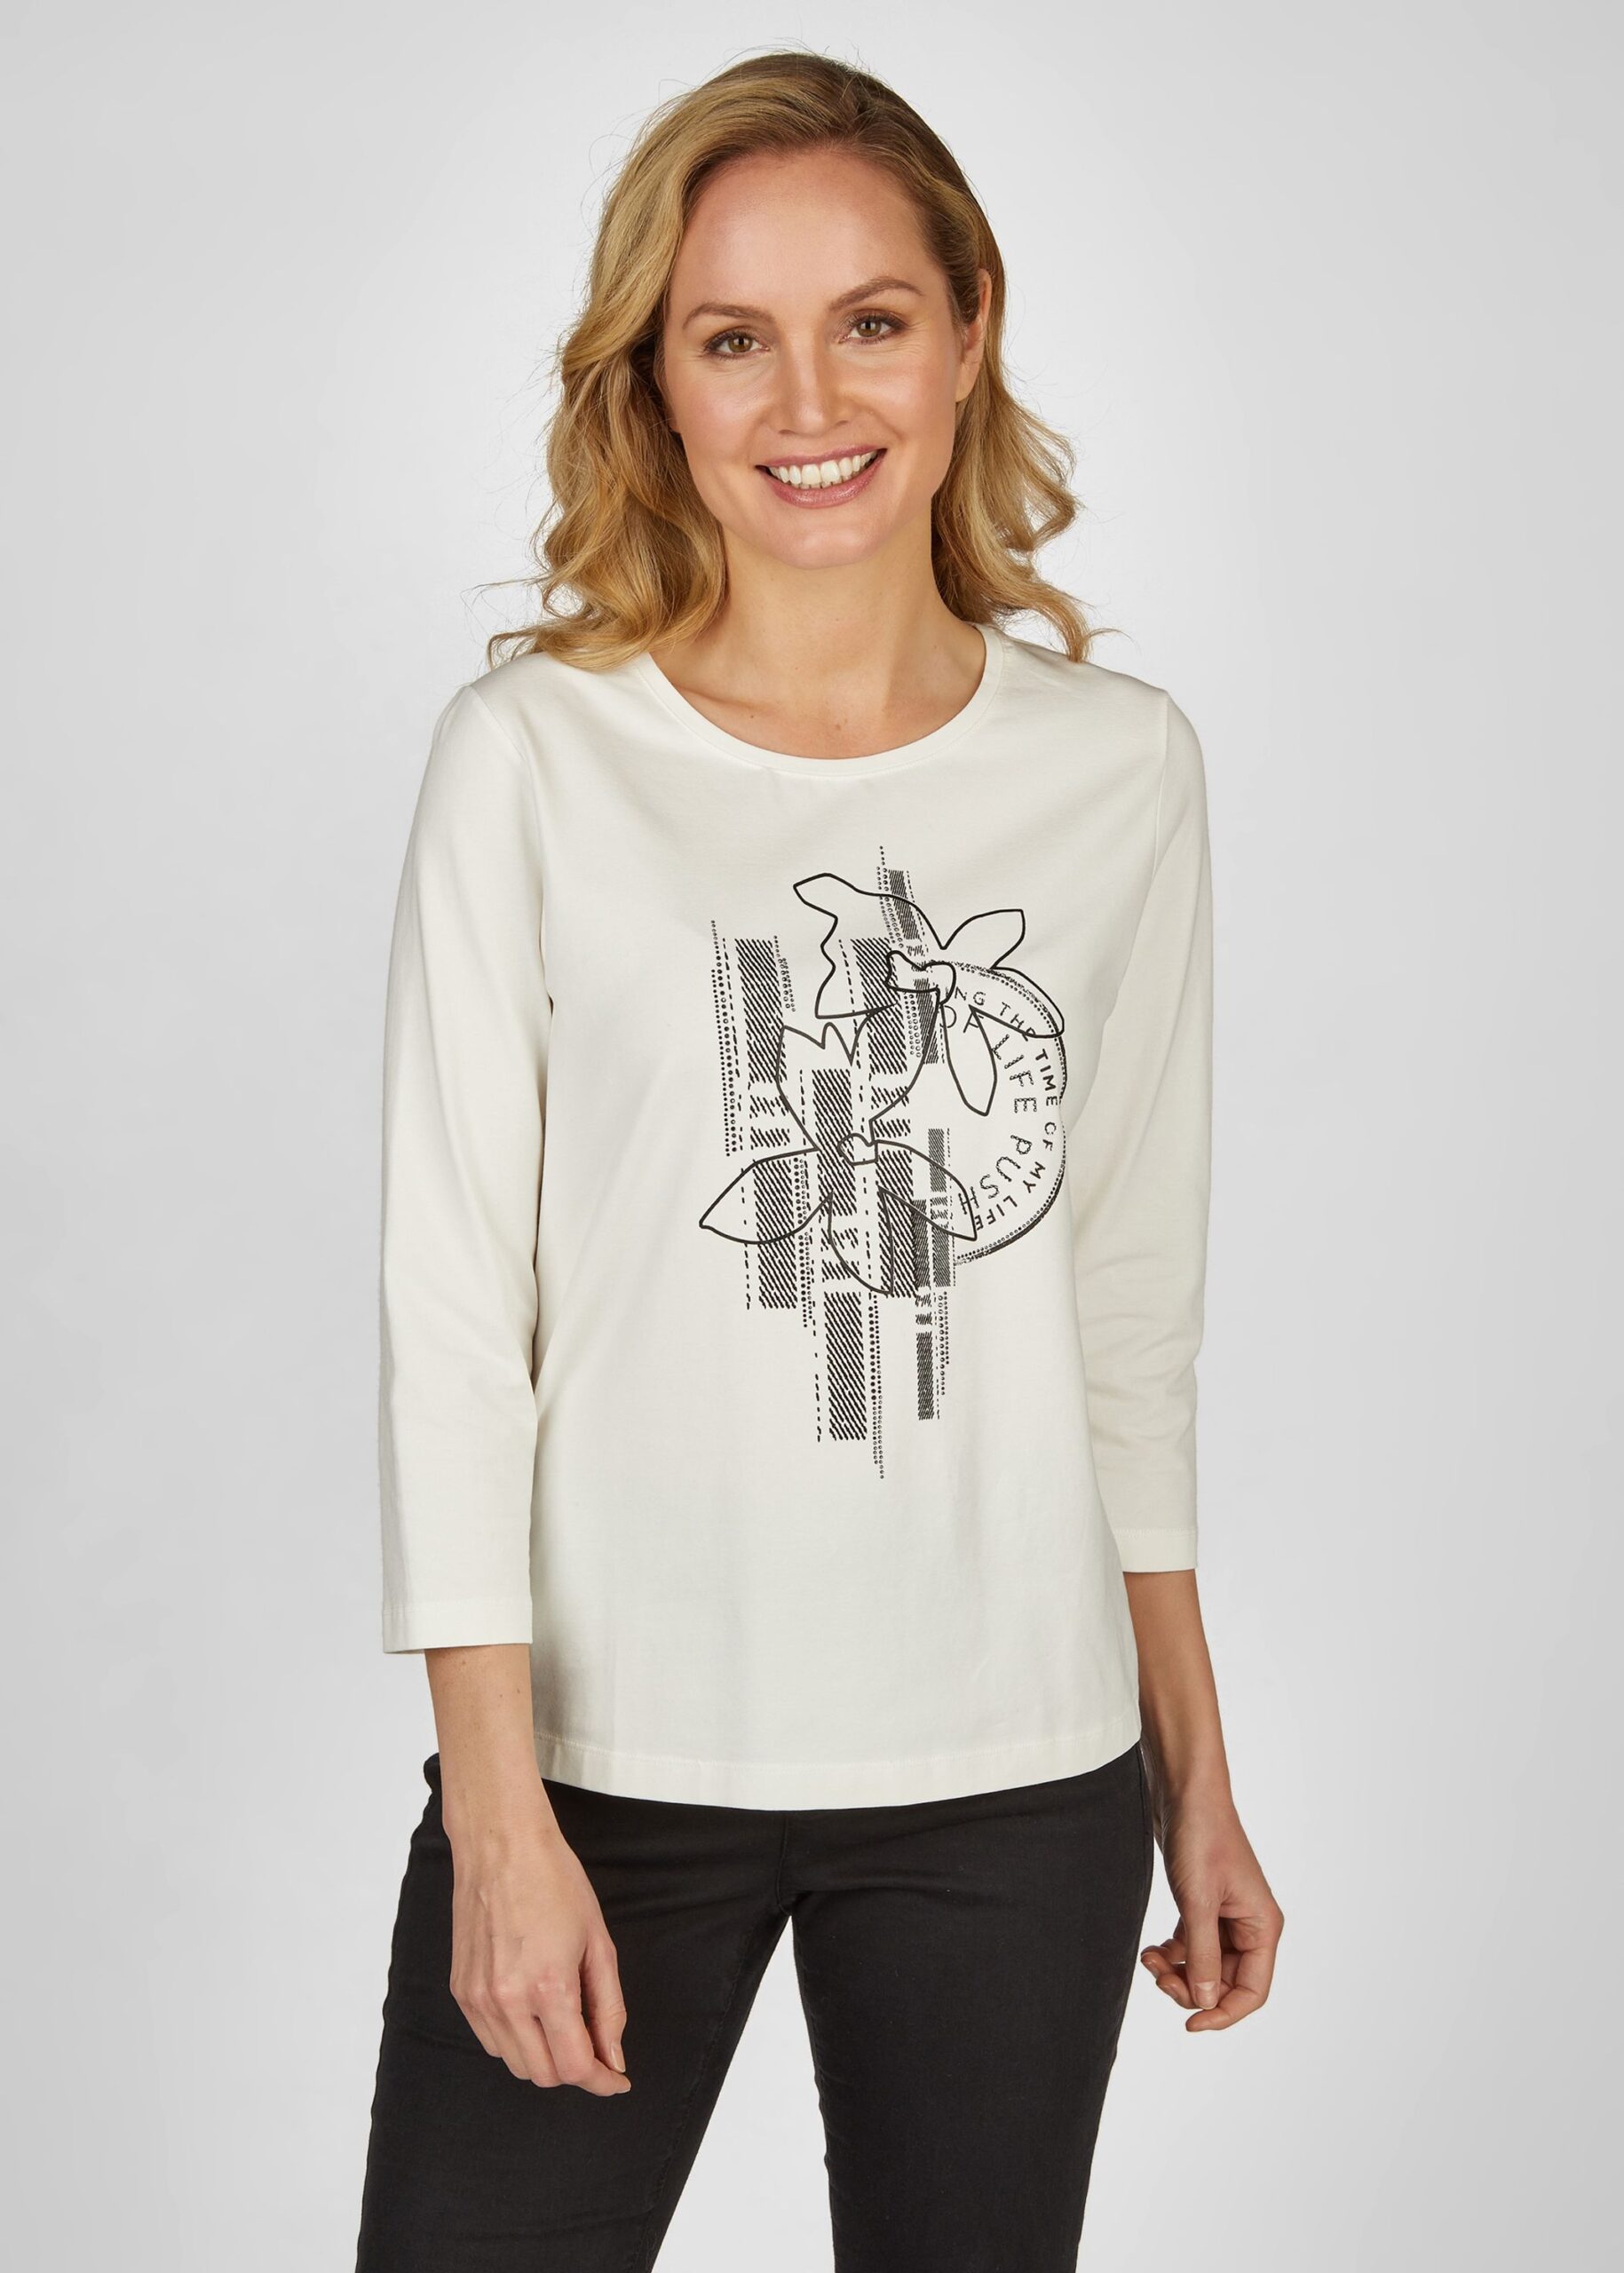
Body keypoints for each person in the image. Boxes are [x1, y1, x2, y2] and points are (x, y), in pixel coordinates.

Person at [354, 46, 1284, 2273]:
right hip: (607, 1769)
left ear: (967, 332)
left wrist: (1196, 1767)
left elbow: (1127, 1306)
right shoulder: (535, 757)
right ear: (655, 385)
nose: (808, 400)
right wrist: (496, 1808)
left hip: (1017, 1779)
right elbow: (455, 1310)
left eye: (870, 319)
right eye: (730, 338)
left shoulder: (1119, 771)